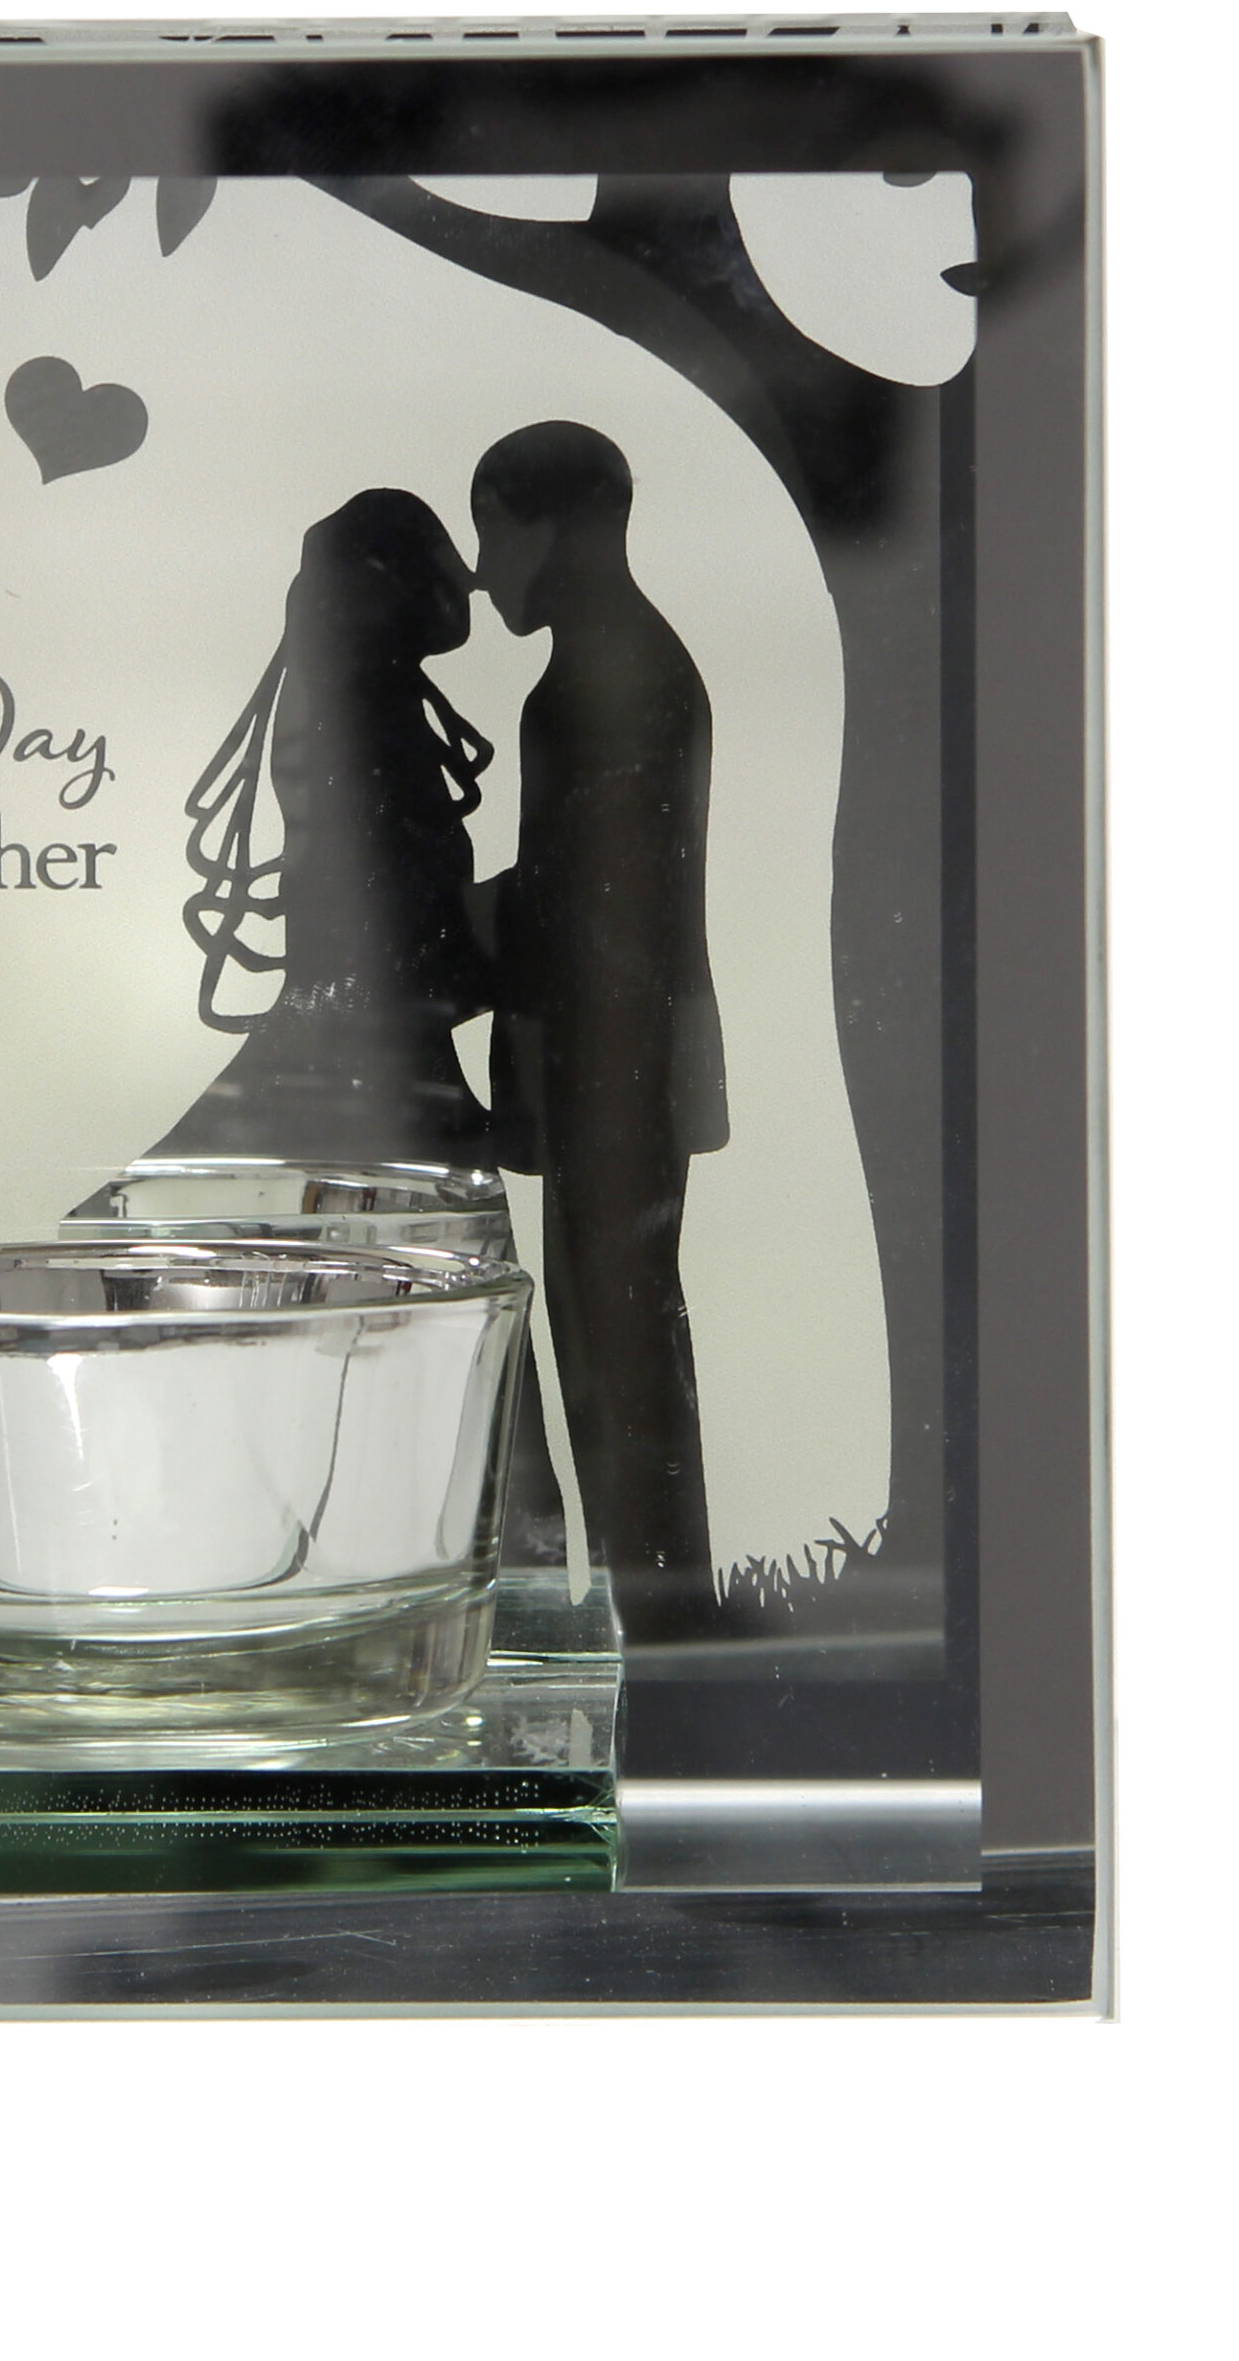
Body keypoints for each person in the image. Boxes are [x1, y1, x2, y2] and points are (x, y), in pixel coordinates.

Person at [471, 423, 730, 1641]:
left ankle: (659, 1608)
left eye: (493, 535)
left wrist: (442, 926)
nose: (484, 572)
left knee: (615, 1343)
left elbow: (588, 901)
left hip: (611, 1066)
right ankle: (658, 1602)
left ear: (553, 532)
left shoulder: (601, 685)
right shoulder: (616, 669)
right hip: (614, 1059)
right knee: (617, 1333)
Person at [148, 489, 496, 1165]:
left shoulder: (356, 697)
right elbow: (400, 910)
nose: (465, 588)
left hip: (381, 1035)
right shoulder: (365, 714)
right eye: (440, 570)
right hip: (374, 1037)